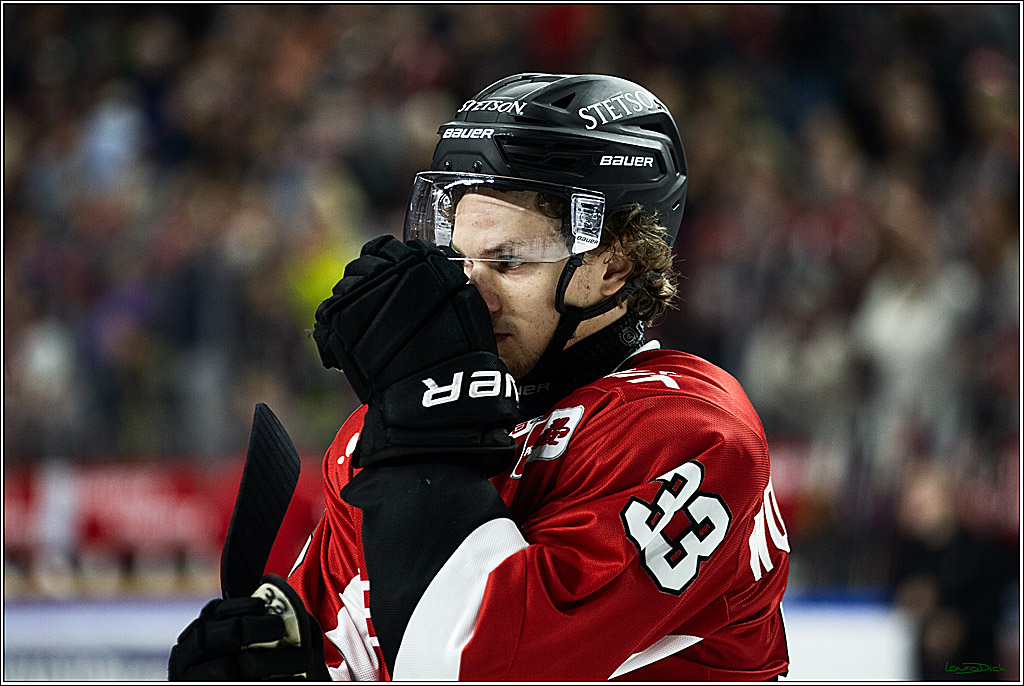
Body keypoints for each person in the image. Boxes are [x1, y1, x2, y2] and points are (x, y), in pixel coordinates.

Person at [168, 72, 791, 681]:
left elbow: (469, 666)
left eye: (511, 261)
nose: (472, 292)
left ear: (612, 267)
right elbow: (348, 646)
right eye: (461, 257)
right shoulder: (387, 426)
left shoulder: (691, 433)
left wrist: (425, 442)